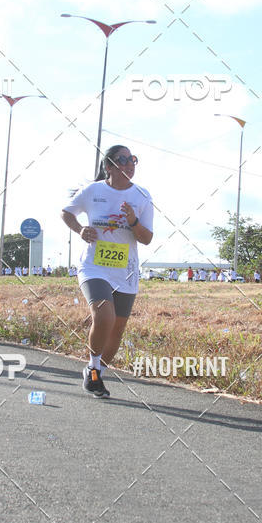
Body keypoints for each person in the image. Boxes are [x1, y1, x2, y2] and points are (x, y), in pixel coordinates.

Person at [61, 145, 153, 398]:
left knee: (117, 330)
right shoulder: (93, 191)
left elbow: (146, 239)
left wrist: (133, 220)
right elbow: (66, 213)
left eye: (133, 159)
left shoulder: (142, 196)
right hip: (94, 266)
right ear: (109, 166)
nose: (129, 164)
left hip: (126, 271)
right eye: (122, 159)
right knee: (104, 317)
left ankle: (96, 374)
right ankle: (92, 367)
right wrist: (80, 229)